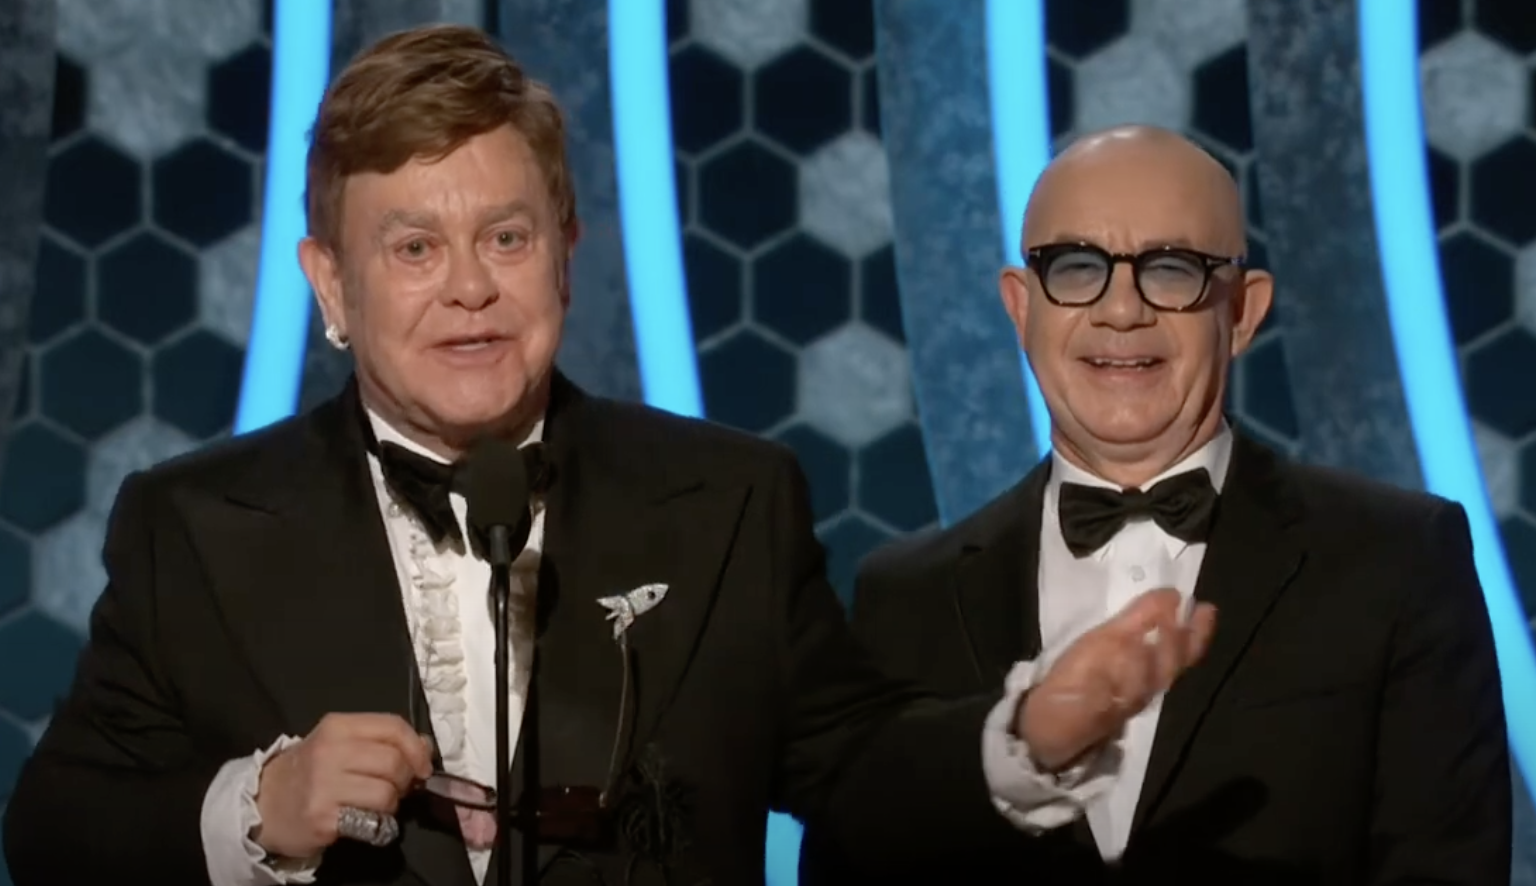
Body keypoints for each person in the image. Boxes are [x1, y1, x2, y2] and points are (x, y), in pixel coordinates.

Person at [2, 30, 1215, 886]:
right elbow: (56, 834)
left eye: (508, 236)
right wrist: (256, 811)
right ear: (331, 284)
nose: (470, 287)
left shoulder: (730, 502)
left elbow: (858, 778)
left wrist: (1024, 738)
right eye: (414, 247)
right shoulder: (195, 523)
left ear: (567, 252)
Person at [801, 126, 1511, 884]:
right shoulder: (904, 594)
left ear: (1241, 311)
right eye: (1076, 268)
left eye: (1171, 271)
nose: (1121, 310)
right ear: (1020, 306)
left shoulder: (1398, 560)